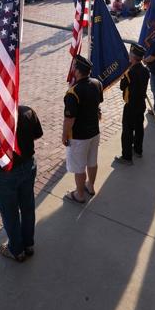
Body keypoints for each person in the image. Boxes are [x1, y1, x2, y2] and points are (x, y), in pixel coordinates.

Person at [0, 105, 43, 262]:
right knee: (27, 207)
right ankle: (28, 244)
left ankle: (16, 250)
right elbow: (37, 134)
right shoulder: (27, 112)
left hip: (4, 175)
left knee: (10, 213)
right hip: (28, 166)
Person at [63, 55, 103, 203]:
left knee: (79, 167)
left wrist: (64, 135)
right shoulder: (97, 83)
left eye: (74, 66)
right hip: (94, 132)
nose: (72, 68)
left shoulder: (73, 92)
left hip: (79, 136)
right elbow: (97, 105)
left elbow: (69, 119)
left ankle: (79, 195)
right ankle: (90, 187)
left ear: (78, 71)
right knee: (92, 161)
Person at [115, 44, 150, 166]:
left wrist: (125, 74)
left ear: (133, 57)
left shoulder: (130, 73)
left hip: (131, 106)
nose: (128, 55)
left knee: (127, 131)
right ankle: (138, 150)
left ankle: (127, 157)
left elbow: (121, 87)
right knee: (139, 128)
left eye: (130, 54)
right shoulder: (145, 71)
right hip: (141, 104)